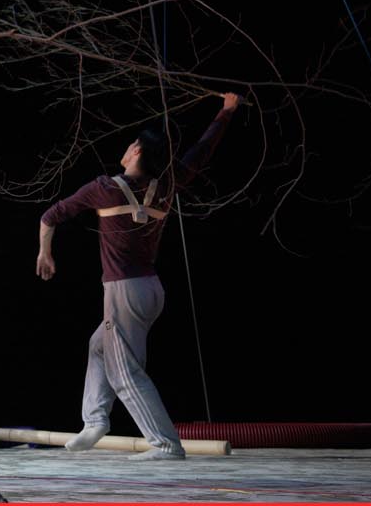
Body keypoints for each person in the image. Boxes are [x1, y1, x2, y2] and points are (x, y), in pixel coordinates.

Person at [36, 93, 241, 461]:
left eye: (131, 144)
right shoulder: (167, 184)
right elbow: (202, 150)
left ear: (136, 152)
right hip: (150, 291)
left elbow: (51, 216)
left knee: (126, 372)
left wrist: (44, 252)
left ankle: (165, 444)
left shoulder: (105, 188)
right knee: (99, 346)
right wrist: (226, 112)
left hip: (123, 292)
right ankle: (94, 421)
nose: (127, 147)